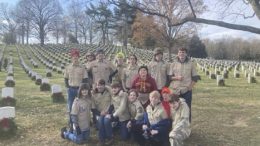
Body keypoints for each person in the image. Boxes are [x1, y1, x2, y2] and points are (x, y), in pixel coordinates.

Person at [168, 47, 200, 122]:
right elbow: (170, 77)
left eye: (183, 52)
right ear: (178, 54)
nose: (181, 54)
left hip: (186, 91)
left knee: (187, 109)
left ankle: (186, 127)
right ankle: (175, 125)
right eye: (180, 52)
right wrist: (177, 78)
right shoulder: (173, 64)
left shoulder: (191, 64)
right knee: (174, 108)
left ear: (186, 54)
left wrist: (190, 87)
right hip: (175, 90)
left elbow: (195, 78)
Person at [64, 48, 89, 129]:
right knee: (71, 106)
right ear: (71, 58)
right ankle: (72, 124)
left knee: (80, 107)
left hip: (80, 90)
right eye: (74, 57)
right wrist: (68, 87)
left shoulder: (82, 67)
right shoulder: (68, 67)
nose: (75, 58)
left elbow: (85, 79)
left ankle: (80, 123)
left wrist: (84, 89)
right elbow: (66, 79)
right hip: (71, 89)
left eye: (76, 57)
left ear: (78, 57)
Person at [91, 79, 113, 146]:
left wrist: (108, 111)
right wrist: (100, 113)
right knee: (101, 122)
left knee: (106, 121)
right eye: (98, 85)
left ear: (104, 86)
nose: (99, 87)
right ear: (96, 86)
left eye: (101, 85)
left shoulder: (109, 92)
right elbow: (93, 108)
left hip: (109, 112)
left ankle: (110, 138)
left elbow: (112, 104)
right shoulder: (94, 95)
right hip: (99, 113)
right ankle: (101, 140)